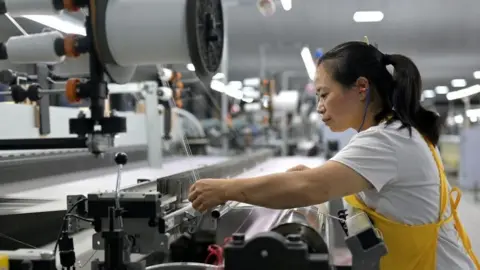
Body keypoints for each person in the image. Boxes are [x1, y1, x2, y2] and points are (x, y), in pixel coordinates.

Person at [187, 41, 479, 270]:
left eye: (324, 94)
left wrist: (224, 190)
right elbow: (322, 182)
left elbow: (311, 188)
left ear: (362, 88)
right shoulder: (391, 133)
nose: (319, 107)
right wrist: (316, 177)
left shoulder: (386, 140)